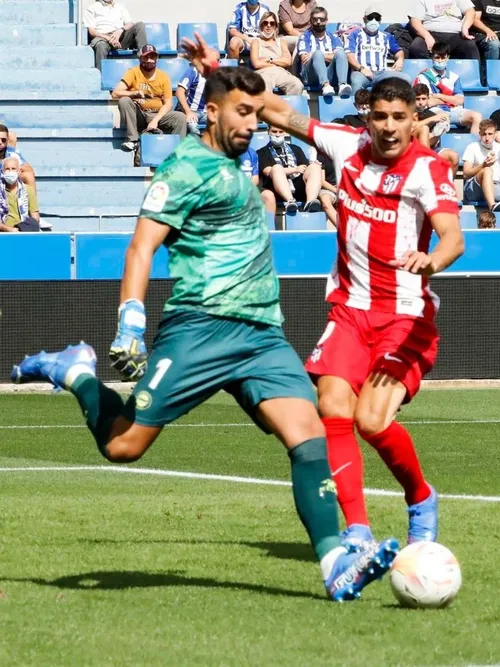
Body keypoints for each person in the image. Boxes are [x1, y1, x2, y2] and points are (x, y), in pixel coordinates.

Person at [11, 65, 399, 602]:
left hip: (262, 334)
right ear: (211, 112)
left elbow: (252, 101)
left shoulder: (235, 163)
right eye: (243, 113)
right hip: (200, 328)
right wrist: (131, 318)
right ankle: (76, 371)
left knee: (309, 436)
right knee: (124, 445)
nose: (252, 123)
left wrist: (218, 70)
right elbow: (142, 246)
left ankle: (334, 562)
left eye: (256, 114)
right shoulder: (183, 169)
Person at [177, 31, 469, 549]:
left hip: (405, 318)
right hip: (350, 312)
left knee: (372, 421)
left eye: (399, 118)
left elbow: (453, 239)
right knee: (331, 408)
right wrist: (216, 70)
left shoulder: (427, 170)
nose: (388, 127)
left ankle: (420, 497)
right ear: (368, 117)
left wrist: (430, 261)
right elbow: (274, 110)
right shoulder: (346, 146)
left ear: (412, 121)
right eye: (380, 117)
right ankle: (356, 530)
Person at [112, 46, 187, 154]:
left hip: (157, 114)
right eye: (146, 57)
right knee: (124, 100)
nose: (149, 60)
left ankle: (178, 153)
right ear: (140, 58)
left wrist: (155, 120)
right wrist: (134, 94)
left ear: (157, 59)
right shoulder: (133, 72)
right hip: (140, 113)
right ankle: (132, 140)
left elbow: (168, 104)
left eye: (152, 57)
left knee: (180, 117)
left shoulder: (163, 76)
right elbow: (115, 93)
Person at [414, 43, 482, 134]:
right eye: (437, 57)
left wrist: (439, 96)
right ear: (432, 58)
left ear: (448, 58)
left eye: (443, 58)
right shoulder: (424, 76)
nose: (440, 60)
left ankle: (473, 146)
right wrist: (451, 99)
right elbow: (430, 102)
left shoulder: (454, 77)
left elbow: (460, 100)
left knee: (477, 116)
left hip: (453, 110)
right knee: (443, 120)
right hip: (434, 110)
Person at [257, 125, 324, 214]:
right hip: (277, 191)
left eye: (280, 132)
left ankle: (311, 202)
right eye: (274, 131)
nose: (277, 135)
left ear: (285, 132)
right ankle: (290, 201)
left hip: (299, 188)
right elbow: (268, 171)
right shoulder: (261, 152)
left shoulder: (296, 149)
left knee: (315, 167)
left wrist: (314, 165)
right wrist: (295, 169)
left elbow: (305, 168)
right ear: (268, 131)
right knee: (276, 168)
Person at [462, 119, 500, 212]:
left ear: (495, 134)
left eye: (490, 134)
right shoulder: (472, 147)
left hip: (495, 186)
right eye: (484, 134)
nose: (487, 138)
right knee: (487, 170)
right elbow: (465, 174)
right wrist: (483, 165)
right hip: (475, 188)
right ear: (479, 134)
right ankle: (492, 206)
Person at [347, 7, 410, 92]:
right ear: (364, 19)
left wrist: (400, 59)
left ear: (380, 20)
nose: (374, 20)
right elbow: (349, 55)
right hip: (361, 72)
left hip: (381, 73)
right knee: (357, 81)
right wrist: (361, 69)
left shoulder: (386, 36)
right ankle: (355, 105)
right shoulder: (355, 35)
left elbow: (398, 51)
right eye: (370, 17)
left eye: (377, 18)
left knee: (406, 79)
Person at [294, 7, 352, 97]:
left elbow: (339, 57)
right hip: (310, 75)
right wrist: (321, 55)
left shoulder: (333, 37)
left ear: (326, 21)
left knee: (340, 53)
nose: (318, 22)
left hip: (329, 73)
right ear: (310, 21)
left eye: (321, 19)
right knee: (317, 54)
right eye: (315, 19)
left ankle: (342, 85)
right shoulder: (305, 37)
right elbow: (304, 58)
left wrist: (316, 55)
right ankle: (325, 85)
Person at [250, 11, 306, 95]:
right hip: (264, 73)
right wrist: (278, 62)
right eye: (265, 23)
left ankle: (288, 107)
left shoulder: (281, 42)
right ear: (262, 25)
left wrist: (270, 59)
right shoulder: (256, 42)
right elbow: (256, 64)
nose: (268, 25)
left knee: (297, 84)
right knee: (264, 84)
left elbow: (288, 62)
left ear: (275, 26)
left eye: (272, 23)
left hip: (281, 73)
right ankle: (269, 107)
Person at [83, 0, 148, 70]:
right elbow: (92, 32)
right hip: (103, 38)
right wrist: (109, 38)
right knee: (100, 46)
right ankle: (102, 75)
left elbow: (130, 23)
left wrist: (120, 30)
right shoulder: (92, 8)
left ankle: (145, 60)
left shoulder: (120, 7)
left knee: (140, 25)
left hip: (120, 37)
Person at [408, 0, 481, 60]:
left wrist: (465, 28)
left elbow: (471, 12)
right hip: (432, 35)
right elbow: (415, 21)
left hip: (456, 34)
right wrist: (427, 36)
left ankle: (473, 77)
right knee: (417, 46)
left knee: (470, 46)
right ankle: (428, 74)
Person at [412, 83, 459, 169]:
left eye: (423, 99)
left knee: (453, 156)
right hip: (412, 149)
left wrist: (440, 129)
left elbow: (432, 141)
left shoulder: (430, 114)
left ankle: (447, 182)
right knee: (424, 128)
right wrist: (432, 119)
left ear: (428, 98)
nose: (421, 102)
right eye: (417, 99)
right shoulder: (408, 112)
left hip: (431, 148)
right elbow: (410, 128)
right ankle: (426, 164)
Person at [1, 156, 41, 232]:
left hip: (23, 232)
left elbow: (35, 215)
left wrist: (21, 229)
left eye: (13, 169)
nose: (10, 172)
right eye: (7, 169)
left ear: (19, 171)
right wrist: (9, 229)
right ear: (2, 171)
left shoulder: (28, 189)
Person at [177, 63, 209, 136]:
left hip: (207, 113)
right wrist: (188, 112)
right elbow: (179, 92)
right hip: (192, 111)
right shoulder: (193, 71)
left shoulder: (217, 74)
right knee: (192, 126)